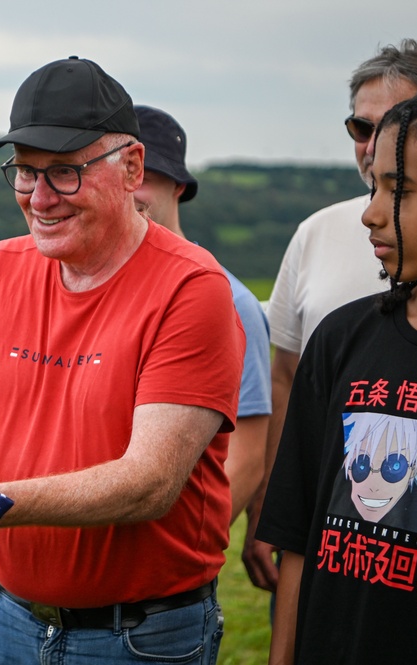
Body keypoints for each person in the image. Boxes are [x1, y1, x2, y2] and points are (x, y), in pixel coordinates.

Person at [0, 56, 245, 665]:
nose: (39, 198)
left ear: (132, 167)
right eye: (25, 174)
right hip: (9, 617)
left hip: (139, 638)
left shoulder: (192, 289)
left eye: (64, 172)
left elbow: (149, 484)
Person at [242, 40, 417, 592]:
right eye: (360, 129)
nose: (373, 144)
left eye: (395, 123)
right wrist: (271, 505)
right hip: (327, 542)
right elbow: (287, 377)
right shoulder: (317, 235)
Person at [133, 104, 271, 523]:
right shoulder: (87, 286)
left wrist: (185, 549)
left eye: (144, 176)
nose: (129, 189)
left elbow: (247, 453)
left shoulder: (232, 300)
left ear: (177, 186)